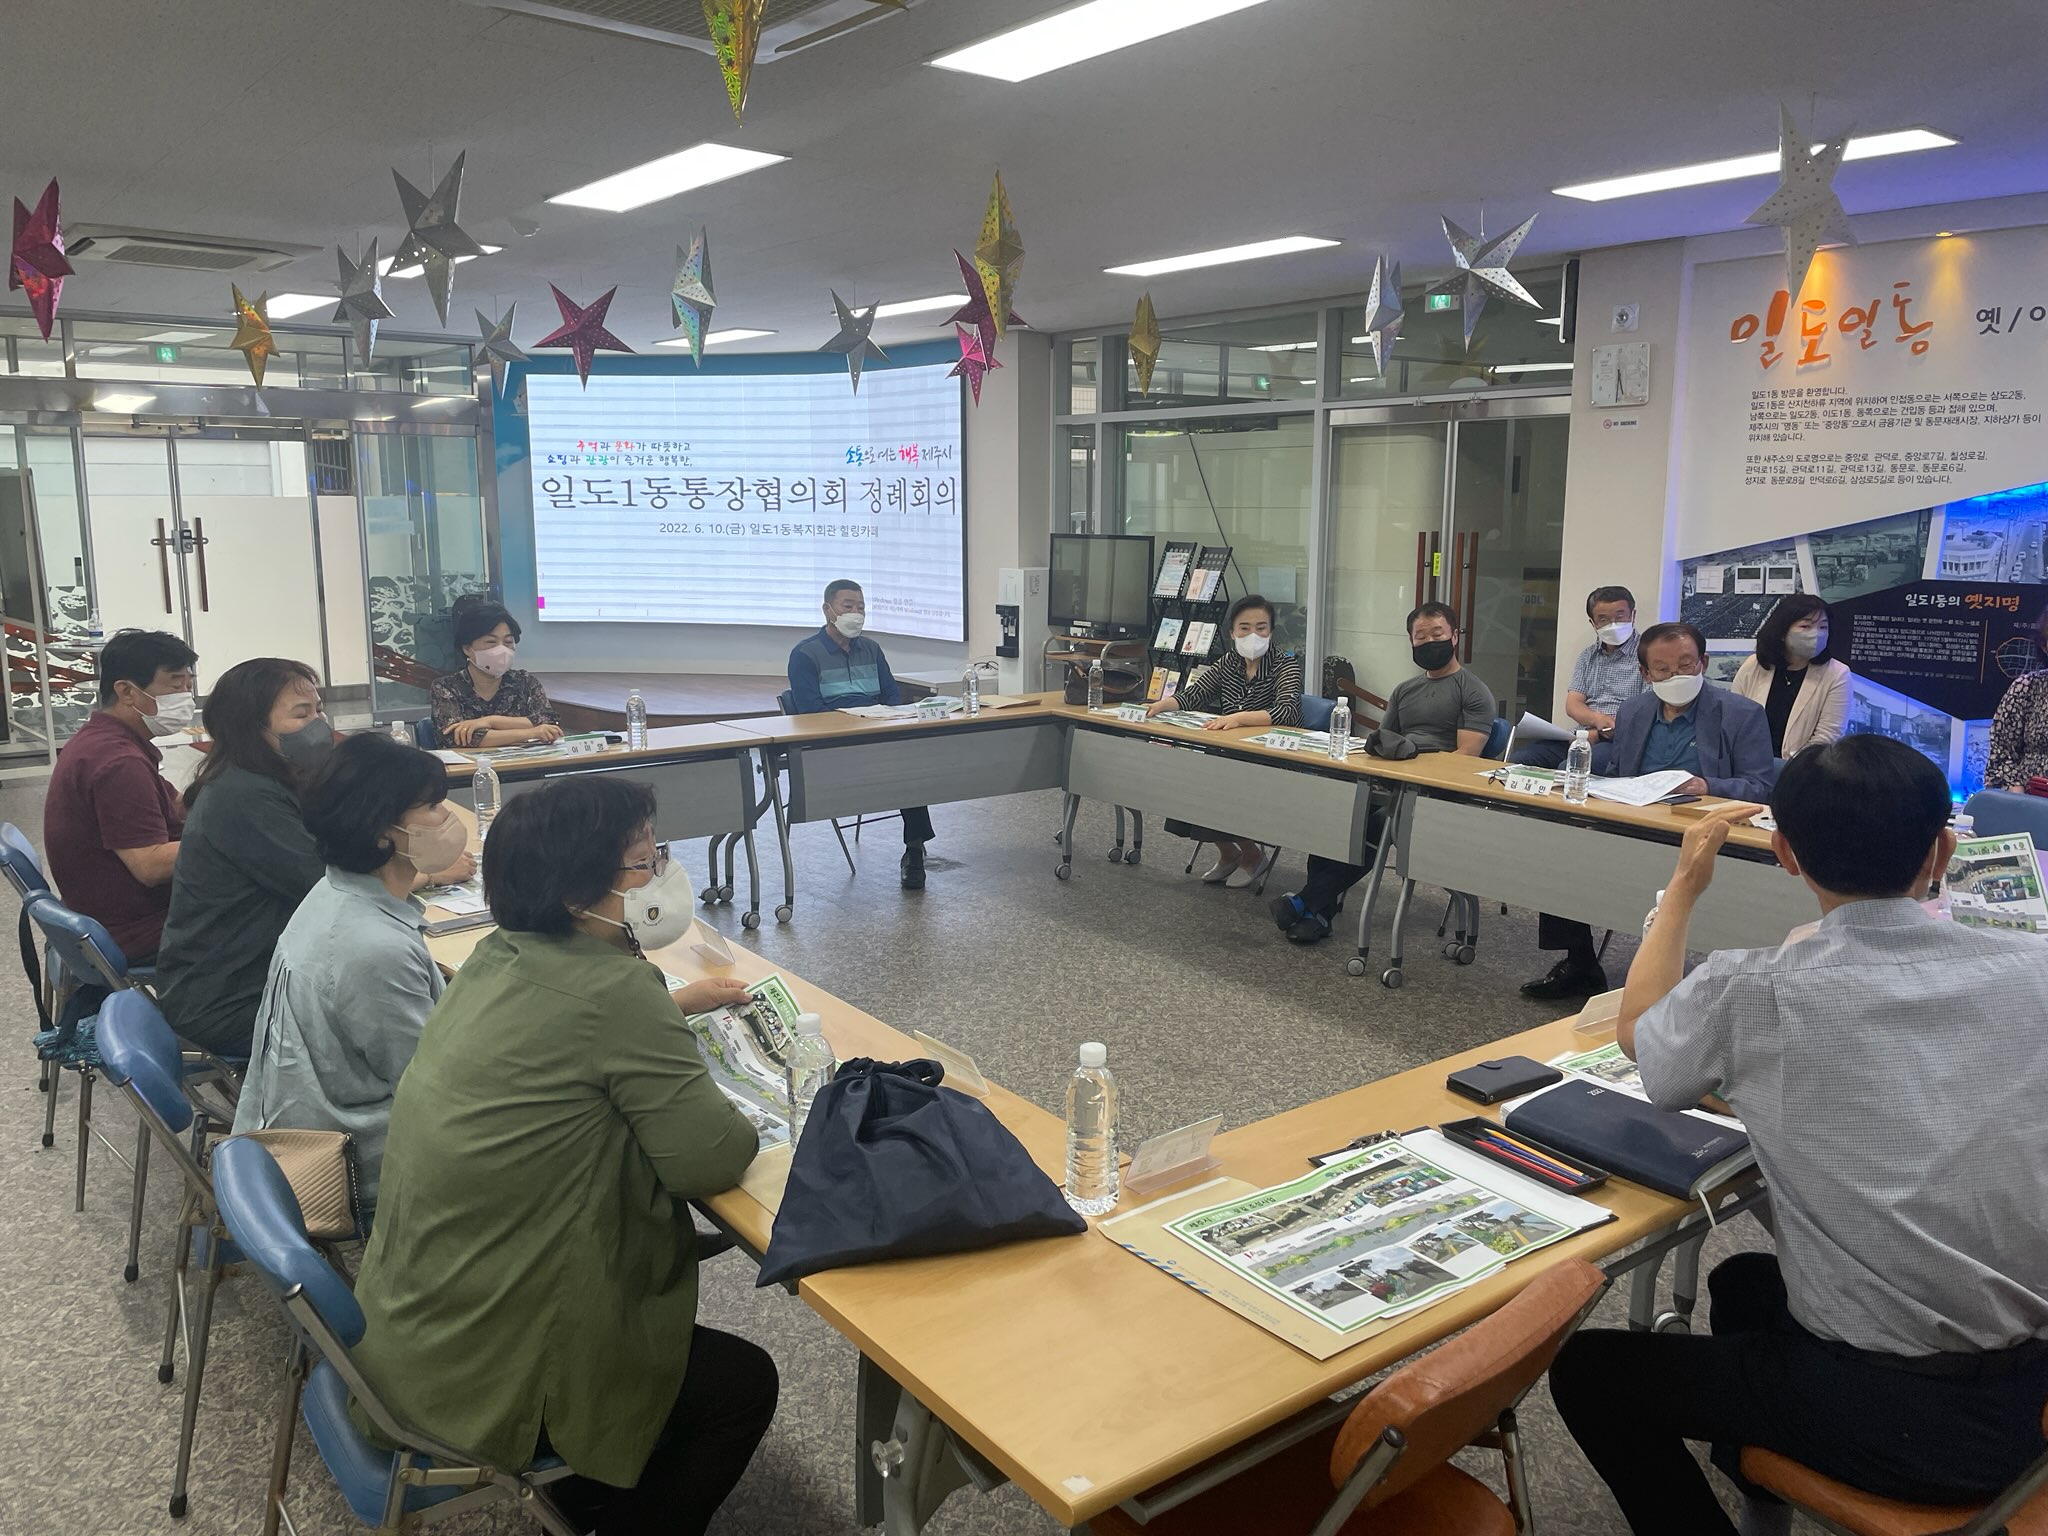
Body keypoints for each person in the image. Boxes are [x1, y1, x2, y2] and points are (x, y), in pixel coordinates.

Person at [1548, 736, 2048, 1536]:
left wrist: (1682, 888)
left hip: (1907, 1423)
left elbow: (1639, 1035)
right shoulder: (2034, 970)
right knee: (1746, 1282)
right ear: (1944, 848)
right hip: (2030, 1388)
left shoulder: (1753, 989)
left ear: (1784, 853)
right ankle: (1765, 1508)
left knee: (1590, 1371)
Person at [350, 776, 778, 1536]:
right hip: (495, 1366)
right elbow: (712, 1159)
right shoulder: (615, 994)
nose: (660, 878)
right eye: (644, 865)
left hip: (415, 1329)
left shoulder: (497, 955)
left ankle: (597, 1489)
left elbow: (574, 1043)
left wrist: (664, 1011)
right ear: (581, 890)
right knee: (743, 1386)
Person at [231, 733, 475, 1206]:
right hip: (359, 1163)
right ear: (382, 830)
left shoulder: (333, 894)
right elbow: (437, 1089)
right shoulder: (373, 947)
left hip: (317, 1121)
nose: (447, 818)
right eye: (432, 807)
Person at [1522, 621, 1778, 1001]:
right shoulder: (1634, 711)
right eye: (1663, 669)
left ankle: (1724, 986)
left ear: (1704, 663)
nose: (1677, 675)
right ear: (1645, 674)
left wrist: (1709, 786)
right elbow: (1616, 775)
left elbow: (1761, 788)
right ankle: (1580, 964)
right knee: (1563, 851)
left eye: (1687, 664)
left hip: (1705, 837)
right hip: (1636, 824)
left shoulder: (1741, 714)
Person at [1267, 603, 1494, 943]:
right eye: (1421, 636)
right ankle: (1318, 913)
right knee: (1336, 815)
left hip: (1435, 795)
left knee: (1376, 824)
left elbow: (1464, 759)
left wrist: (1413, 770)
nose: (1430, 641)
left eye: (1437, 634)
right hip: (1391, 782)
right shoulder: (1405, 690)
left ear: (1455, 636)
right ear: (1411, 642)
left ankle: (1305, 904)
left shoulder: (1473, 691)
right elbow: (1380, 744)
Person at [155, 659, 334, 1058]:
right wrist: (420, 871)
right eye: (301, 714)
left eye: (318, 709)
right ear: (253, 727)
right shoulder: (245, 795)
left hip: (256, 976)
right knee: (398, 1016)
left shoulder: (264, 777)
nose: (318, 724)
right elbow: (327, 886)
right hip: (232, 1000)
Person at [42, 628, 198, 966]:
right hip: (138, 928)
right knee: (267, 911)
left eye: (188, 684)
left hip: (111, 911)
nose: (186, 696)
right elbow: (150, 865)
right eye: (174, 684)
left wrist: (220, 787)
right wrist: (230, 839)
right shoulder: (117, 762)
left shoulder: (105, 739)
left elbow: (173, 806)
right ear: (127, 691)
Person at [787, 578, 934, 890]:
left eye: (861, 608)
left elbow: (892, 697)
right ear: (828, 610)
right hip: (833, 748)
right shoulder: (805, 655)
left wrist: (884, 718)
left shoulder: (871, 649)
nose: (856, 613)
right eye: (848, 607)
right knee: (900, 766)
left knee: (912, 766)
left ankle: (914, 851)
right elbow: (810, 714)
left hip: (876, 737)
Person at [1151, 594, 1304, 886]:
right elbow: (1194, 694)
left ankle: (1251, 856)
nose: (1253, 634)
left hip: (1271, 758)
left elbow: (1287, 710)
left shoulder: (1285, 664)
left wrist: (1239, 717)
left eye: (1261, 627)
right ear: (1232, 632)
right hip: (1231, 753)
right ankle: (1228, 851)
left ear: (1271, 631)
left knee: (1214, 784)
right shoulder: (1229, 662)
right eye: (1244, 628)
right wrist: (1160, 706)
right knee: (1187, 778)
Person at [1512, 585, 1643, 772]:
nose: (1613, 624)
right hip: (1582, 736)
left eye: (1620, 616)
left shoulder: (1648, 656)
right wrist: (1597, 720)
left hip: (1620, 741)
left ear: (1633, 615)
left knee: (1570, 768)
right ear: (1593, 623)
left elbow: (1645, 712)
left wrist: (1600, 734)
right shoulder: (1587, 656)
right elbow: (1573, 704)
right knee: (1520, 761)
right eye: (1603, 619)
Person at [429, 600, 564, 750]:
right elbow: (457, 737)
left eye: (508, 642)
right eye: (491, 642)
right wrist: (530, 732)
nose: (501, 649)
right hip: (472, 771)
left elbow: (549, 721)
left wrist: (490, 722)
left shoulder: (524, 681)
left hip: (525, 768)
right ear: (467, 648)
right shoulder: (446, 687)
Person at [1731, 593, 1851, 758]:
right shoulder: (1754, 665)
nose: (1816, 634)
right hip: (1747, 765)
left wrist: (1790, 768)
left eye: (1823, 627)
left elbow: (1828, 736)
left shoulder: (1837, 674)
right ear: (1782, 632)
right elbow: (1733, 718)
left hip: (1802, 770)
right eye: (1805, 626)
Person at [1986, 603, 2048, 790]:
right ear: (2044, 647)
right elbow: (2001, 751)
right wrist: (2016, 792)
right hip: (2028, 801)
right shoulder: (2027, 687)